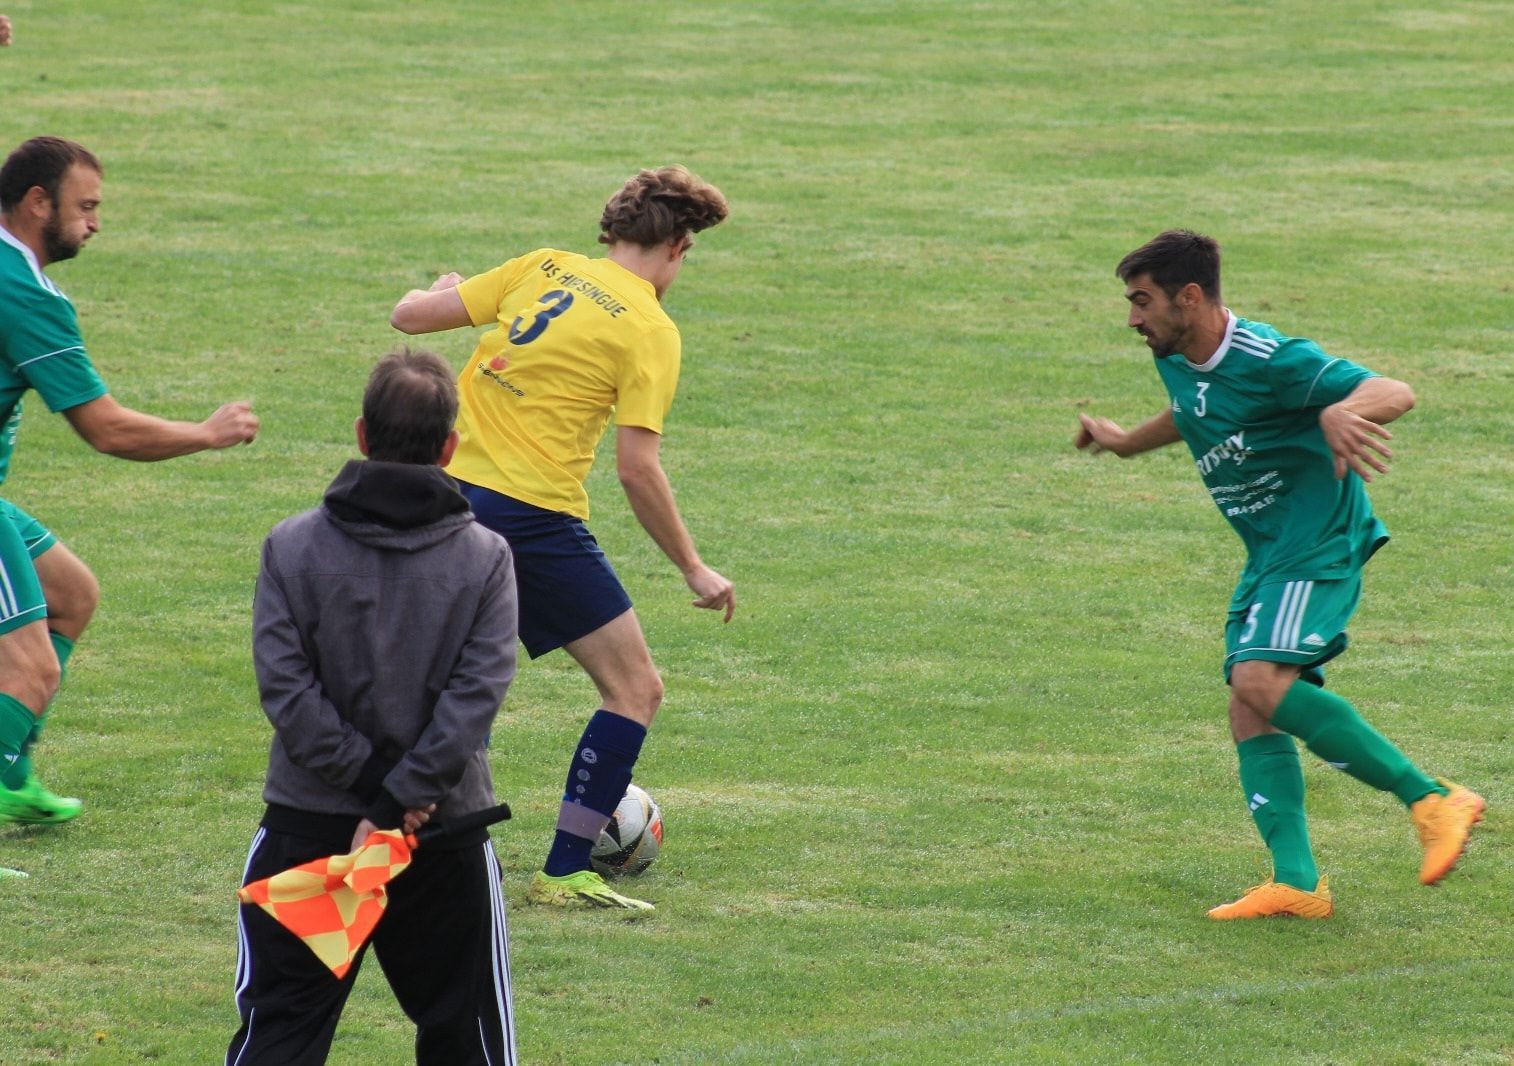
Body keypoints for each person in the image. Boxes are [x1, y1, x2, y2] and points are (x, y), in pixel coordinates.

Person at [1075, 229, 1485, 919]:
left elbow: (1396, 391)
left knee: (1258, 681)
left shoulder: (1272, 358)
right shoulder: (1177, 351)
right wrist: (1125, 444)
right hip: (1269, 549)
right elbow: (1196, 409)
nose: (1132, 318)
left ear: (1192, 296)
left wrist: (1339, 410)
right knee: (1250, 703)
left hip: (1316, 538)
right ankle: (1297, 881)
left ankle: (1434, 799)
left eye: (1142, 301)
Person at [390, 164, 733, 911]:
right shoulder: (648, 329)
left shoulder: (540, 266)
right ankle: (564, 870)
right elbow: (638, 470)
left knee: (437, 682)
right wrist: (693, 567)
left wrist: (444, 286)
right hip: (530, 518)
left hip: (442, 500)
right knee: (634, 687)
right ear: (678, 245)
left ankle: (384, 842)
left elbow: (409, 318)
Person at [228, 349, 519, 1065]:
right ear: (450, 447)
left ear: (362, 435)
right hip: (441, 839)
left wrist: (370, 796)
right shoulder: (486, 558)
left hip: (310, 835)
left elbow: (287, 692)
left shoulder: (290, 547)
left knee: (281, 1035)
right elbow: (473, 700)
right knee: (467, 1041)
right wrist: (397, 806)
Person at [0, 136, 258, 825]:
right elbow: (105, 429)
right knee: (29, 670)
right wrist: (206, 433)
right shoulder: (26, 293)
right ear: (35, 203)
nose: (95, 223)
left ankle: (13, 775)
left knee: (71, 594)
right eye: (84, 207)